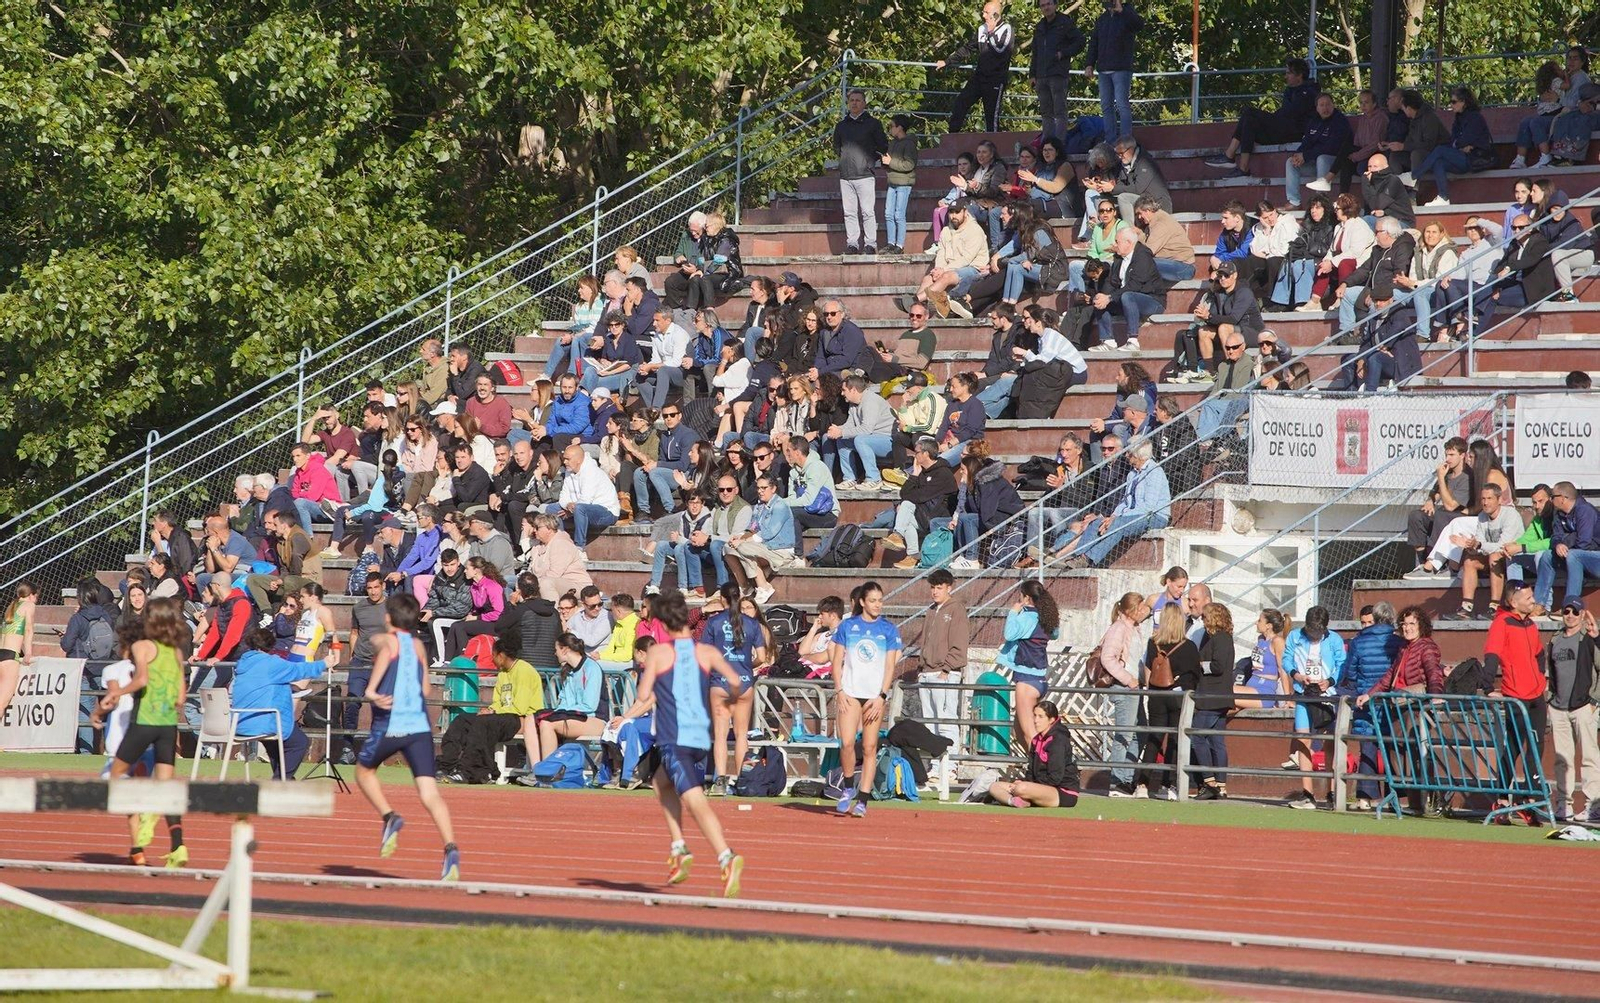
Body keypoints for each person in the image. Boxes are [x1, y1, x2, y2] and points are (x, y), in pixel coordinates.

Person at [612, 591, 745, 897]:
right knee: (661, 783)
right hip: (701, 738)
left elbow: (644, 694)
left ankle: (726, 855)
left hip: (674, 738)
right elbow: (736, 682)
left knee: (695, 801)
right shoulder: (707, 651)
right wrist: (728, 701)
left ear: (661, 621)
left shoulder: (659, 653)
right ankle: (678, 847)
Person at [356, 593, 459, 881]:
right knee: (430, 794)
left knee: (364, 773)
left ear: (388, 618)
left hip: (392, 725)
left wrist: (373, 692)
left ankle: (390, 816)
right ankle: (451, 848)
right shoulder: (417, 646)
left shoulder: (388, 642)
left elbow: (374, 681)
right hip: (420, 728)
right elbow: (426, 690)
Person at [95, 597, 189, 869]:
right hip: (168, 726)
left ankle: (140, 832)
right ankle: (178, 847)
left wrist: (117, 693)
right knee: (167, 787)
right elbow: (181, 697)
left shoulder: (141, 646)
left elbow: (142, 679)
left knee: (115, 775)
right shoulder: (176, 652)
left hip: (144, 723)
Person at [829, 582, 903, 817]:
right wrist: (840, 690)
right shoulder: (848, 627)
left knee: (870, 747)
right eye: (873, 600)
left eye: (880, 600)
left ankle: (863, 799)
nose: (878, 605)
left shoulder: (889, 630)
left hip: (874, 696)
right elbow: (837, 660)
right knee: (848, 742)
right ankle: (848, 786)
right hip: (850, 693)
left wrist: (882, 695)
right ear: (862, 602)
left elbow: (890, 665)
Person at [231, 627, 341, 779]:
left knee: (276, 745)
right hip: (263, 722)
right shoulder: (271, 664)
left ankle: (284, 779)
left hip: (241, 722)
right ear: (270, 645)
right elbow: (297, 670)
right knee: (299, 743)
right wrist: (323, 663)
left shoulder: (243, 664)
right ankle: (279, 780)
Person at [436, 634, 543, 785]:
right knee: (463, 720)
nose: (492, 660)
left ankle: (469, 771)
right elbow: (498, 702)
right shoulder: (503, 673)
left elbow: (520, 707)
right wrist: (489, 710)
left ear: (501, 655)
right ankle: (445, 765)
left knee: (482, 724)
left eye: (493, 656)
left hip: (520, 719)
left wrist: (492, 712)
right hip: (502, 716)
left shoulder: (524, 670)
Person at [1483, 583, 1549, 819]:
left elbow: (1539, 653)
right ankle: (1502, 799)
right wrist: (1488, 686)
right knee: (1513, 747)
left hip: (1536, 695)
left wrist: (1542, 678)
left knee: (1536, 744)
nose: (1533, 600)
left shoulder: (1530, 624)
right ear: (1513, 602)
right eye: (1528, 597)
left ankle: (1529, 797)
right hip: (1516, 695)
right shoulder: (1502, 622)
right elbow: (1492, 653)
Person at [702, 583, 767, 795]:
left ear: (722, 599)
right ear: (739, 598)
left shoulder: (714, 622)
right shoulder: (751, 623)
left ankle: (720, 780)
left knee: (720, 735)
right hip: (744, 682)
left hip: (720, 682)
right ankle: (741, 780)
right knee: (741, 736)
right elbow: (762, 657)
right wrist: (747, 666)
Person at [1206, 59, 1319, 177]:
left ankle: (1229, 156)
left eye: (1289, 73)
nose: (1286, 76)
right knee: (1249, 120)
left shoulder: (1309, 92)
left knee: (1250, 112)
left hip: (1295, 131)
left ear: (1299, 75)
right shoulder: (1289, 91)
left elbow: (1292, 113)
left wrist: (1271, 118)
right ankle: (1242, 168)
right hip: (1282, 128)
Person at [1280, 605, 1345, 809]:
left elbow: (1342, 663)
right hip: (1303, 694)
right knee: (1303, 740)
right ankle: (1308, 793)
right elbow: (1286, 658)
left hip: (1328, 697)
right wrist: (1296, 675)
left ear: (1325, 628)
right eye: (1311, 631)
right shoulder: (1294, 636)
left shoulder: (1334, 639)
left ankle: (1332, 792)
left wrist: (1330, 681)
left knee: (1330, 743)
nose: (1314, 635)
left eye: (1318, 632)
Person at [1338, 601, 1401, 810]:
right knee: (1394, 748)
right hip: (1391, 701)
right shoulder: (1398, 641)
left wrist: (1358, 689)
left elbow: (1351, 673)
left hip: (1365, 699)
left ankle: (1366, 797)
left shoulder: (1359, 641)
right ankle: (1396, 797)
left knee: (1368, 747)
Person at [1546, 603, 1600, 822]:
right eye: (1566, 611)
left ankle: (1593, 805)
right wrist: (1550, 698)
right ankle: (1564, 804)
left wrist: (1595, 699)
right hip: (1559, 706)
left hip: (1584, 705)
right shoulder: (1554, 640)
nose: (1570, 615)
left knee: (1589, 757)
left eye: (1575, 611)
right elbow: (1549, 671)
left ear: (1582, 613)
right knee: (1562, 759)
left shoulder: (1588, 638)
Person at [1137, 605, 1196, 800]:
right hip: (1177, 696)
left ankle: (1142, 784)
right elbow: (1194, 675)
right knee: (1174, 740)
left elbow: (1148, 668)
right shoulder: (1188, 646)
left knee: (1153, 739)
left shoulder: (1153, 643)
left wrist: (1150, 689)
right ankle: (1168, 784)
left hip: (1156, 695)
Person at [1097, 592, 1149, 797]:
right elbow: (1107, 658)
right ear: (1131, 610)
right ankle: (1118, 781)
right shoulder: (1118, 628)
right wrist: (1129, 679)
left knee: (1139, 733)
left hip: (1134, 687)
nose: (1143, 611)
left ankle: (1126, 778)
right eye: (1140, 608)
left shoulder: (1134, 628)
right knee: (1125, 734)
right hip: (1124, 687)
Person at [984, 700, 1081, 808]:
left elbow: (1055, 778)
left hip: (1062, 792)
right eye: (1034, 716)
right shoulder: (1036, 740)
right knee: (995, 786)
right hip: (1038, 787)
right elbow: (1031, 771)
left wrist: (1029, 786)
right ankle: (1013, 801)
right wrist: (1023, 781)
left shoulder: (1058, 741)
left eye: (1040, 716)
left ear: (1051, 720)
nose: (1035, 720)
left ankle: (1021, 796)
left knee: (1021, 788)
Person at [997, 579, 1059, 745]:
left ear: (1025, 597)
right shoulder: (1045, 618)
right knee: (1019, 731)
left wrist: (1013, 612)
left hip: (1026, 679)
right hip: (1039, 679)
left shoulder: (1027, 618)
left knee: (1030, 734)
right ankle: (1032, 767)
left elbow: (1009, 634)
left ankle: (1042, 769)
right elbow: (1055, 634)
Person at [936, 2, 1015, 134]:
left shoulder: (1007, 29)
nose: (983, 15)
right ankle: (952, 138)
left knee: (991, 117)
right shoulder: (981, 29)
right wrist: (947, 61)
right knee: (960, 104)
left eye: (986, 13)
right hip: (979, 77)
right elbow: (968, 48)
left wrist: (990, 33)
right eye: (983, 12)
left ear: (995, 15)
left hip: (995, 80)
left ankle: (993, 147)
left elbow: (1001, 50)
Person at [917, 570, 970, 764]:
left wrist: (947, 669)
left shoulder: (956, 609)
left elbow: (959, 642)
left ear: (950, 587)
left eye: (939, 587)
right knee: (930, 723)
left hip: (945, 673)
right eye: (933, 587)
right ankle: (934, 764)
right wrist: (921, 669)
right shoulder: (931, 610)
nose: (935, 591)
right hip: (927, 672)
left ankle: (950, 765)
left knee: (946, 720)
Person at [833, 88, 888, 256]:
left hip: (865, 175)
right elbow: (837, 147)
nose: (854, 103)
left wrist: (869, 161)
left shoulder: (873, 124)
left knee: (867, 212)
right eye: (852, 100)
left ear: (864, 103)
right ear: (848, 103)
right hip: (846, 176)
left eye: (858, 100)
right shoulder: (841, 126)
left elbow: (883, 146)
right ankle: (852, 244)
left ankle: (870, 244)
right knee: (849, 213)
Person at [1404, 436, 1472, 570]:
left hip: (1459, 516)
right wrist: (1431, 501)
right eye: (1446, 454)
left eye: (1452, 455)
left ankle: (1435, 562)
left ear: (1462, 455)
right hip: (1444, 513)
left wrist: (1440, 476)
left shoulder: (1467, 477)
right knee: (1416, 516)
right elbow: (1435, 491)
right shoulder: (1448, 472)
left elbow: (1451, 506)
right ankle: (1422, 562)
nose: (1448, 459)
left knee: (1441, 515)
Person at [1189, 602, 1235, 800]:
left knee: (1198, 736)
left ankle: (1210, 781)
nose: (1203, 619)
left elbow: (1218, 666)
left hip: (1213, 697)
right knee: (1216, 741)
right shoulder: (1216, 638)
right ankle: (1221, 785)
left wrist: (1199, 665)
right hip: (1217, 696)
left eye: (1206, 616)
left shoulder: (1221, 639)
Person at [1084, 0, 1143, 143]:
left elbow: (1139, 25)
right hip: (1103, 69)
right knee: (1106, 105)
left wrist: (1122, 10)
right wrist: (1089, 64)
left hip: (1121, 68)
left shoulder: (1128, 13)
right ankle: (1110, 140)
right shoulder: (1102, 19)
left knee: (1122, 104)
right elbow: (1094, 42)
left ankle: (1125, 139)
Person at [1029, 0, 1085, 142]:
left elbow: (1080, 41)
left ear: (1055, 5)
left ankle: (1059, 143)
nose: (1046, 7)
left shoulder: (1065, 23)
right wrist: (1032, 74)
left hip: (1057, 73)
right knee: (1046, 112)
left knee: (1060, 111)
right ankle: (1047, 143)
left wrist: (1063, 53)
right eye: (1043, 5)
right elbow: (1035, 52)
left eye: (1048, 4)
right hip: (1041, 75)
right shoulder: (1040, 27)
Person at [1285, 94, 1352, 208]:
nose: (1325, 108)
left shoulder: (1340, 121)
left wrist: (1305, 156)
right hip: (1314, 163)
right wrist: (1298, 155)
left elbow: (1331, 147)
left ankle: (1320, 201)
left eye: (1328, 105)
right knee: (1290, 162)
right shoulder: (1313, 121)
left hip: (1334, 165)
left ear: (1333, 106)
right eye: (1322, 105)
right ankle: (1294, 201)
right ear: (1317, 108)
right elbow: (1307, 142)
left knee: (1322, 158)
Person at [880, 115, 919, 255]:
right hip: (892, 182)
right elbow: (890, 162)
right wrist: (885, 162)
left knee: (899, 214)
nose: (890, 129)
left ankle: (899, 245)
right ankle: (891, 243)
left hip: (903, 183)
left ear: (900, 127)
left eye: (892, 126)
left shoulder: (909, 144)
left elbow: (909, 164)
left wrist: (890, 162)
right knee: (888, 213)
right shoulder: (893, 143)